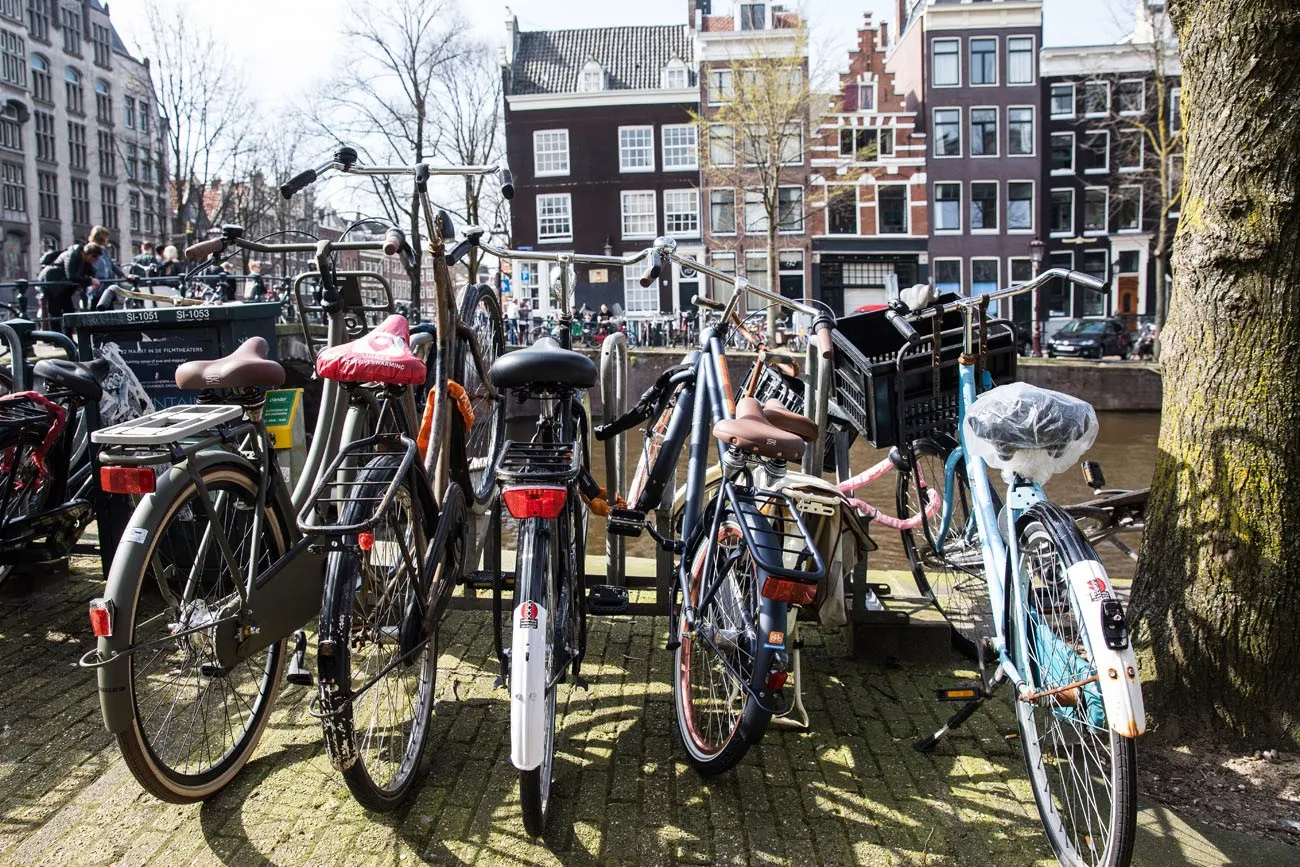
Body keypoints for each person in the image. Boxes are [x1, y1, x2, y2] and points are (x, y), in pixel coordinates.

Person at [37, 242, 102, 333]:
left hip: (63, 288)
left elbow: (90, 271)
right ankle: (57, 337)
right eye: (95, 258)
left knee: (69, 311)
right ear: (90, 255)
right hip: (52, 285)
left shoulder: (82, 259)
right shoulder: (72, 255)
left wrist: (92, 279)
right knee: (55, 312)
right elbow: (71, 276)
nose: (95, 261)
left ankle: (68, 336)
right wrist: (90, 281)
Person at [86, 226, 129, 305]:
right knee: (96, 305)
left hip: (107, 284)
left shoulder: (104, 250)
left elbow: (111, 265)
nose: (107, 239)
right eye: (106, 237)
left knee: (108, 304)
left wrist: (123, 275)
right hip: (97, 284)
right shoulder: (90, 249)